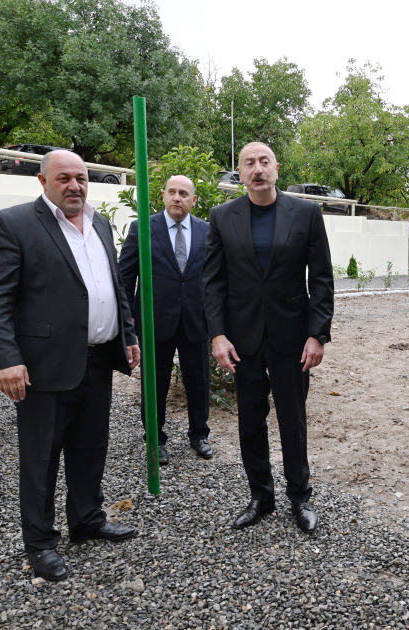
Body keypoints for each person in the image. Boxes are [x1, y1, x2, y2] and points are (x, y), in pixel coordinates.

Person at [0, 150, 141, 582]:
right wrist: (7, 360)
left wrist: (127, 334)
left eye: (81, 178)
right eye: (64, 178)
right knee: (41, 458)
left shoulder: (99, 222)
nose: (74, 186)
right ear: (42, 181)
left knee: (91, 447)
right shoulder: (14, 224)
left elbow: (113, 286)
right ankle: (40, 543)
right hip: (44, 366)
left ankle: (87, 519)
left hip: (97, 360)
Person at [203, 142, 334, 533]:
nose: (257, 169)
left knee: (293, 420)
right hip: (242, 339)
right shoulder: (222, 217)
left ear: (276, 169)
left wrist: (317, 334)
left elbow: (321, 279)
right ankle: (260, 496)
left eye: (264, 162)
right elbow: (212, 282)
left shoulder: (306, 213)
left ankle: (300, 497)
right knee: (249, 421)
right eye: (249, 163)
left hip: (292, 337)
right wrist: (217, 335)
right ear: (240, 173)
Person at [119, 175, 212, 464]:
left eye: (183, 193)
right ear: (163, 196)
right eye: (172, 191)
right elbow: (125, 275)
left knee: (199, 381)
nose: (177, 197)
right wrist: (127, 317)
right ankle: (155, 439)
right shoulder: (143, 228)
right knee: (155, 382)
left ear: (193, 200)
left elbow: (214, 276)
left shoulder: (207, 230)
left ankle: (199, 434)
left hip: (196, 319)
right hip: (154, 320)